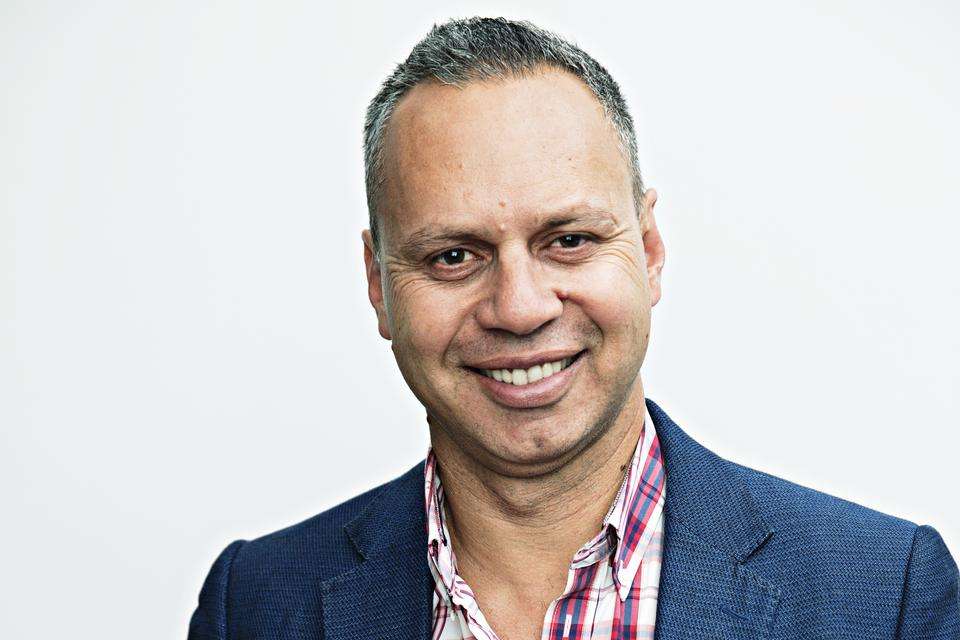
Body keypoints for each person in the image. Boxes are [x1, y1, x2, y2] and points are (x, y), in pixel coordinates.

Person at [187, 16, 959, 640]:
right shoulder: (254, 607)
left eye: (569, 241)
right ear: (377, 285)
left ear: (649, 251)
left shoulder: (887, 597)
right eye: (454, 256)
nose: (520, 308)